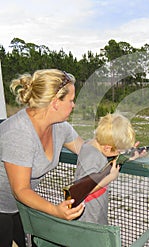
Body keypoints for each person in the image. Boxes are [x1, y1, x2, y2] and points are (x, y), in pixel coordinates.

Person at [0, 69, 85, 247]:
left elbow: (86, 150)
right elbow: (21, 190)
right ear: (55, 103)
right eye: (71, 100)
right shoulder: (18, 133)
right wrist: (55, 210)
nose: (73, 105)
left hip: (19, 206)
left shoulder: (61, 127)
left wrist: (119, 150)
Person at [75, 112, 138, 225]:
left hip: (94, 214)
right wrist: (111, 177)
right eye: (119, 151)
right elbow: (82, 191)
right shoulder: (92, 157)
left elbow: (109, 161)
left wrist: (129, 156)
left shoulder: (91, 145)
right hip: (89, 218)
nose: (119, 154)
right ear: (107, 148)